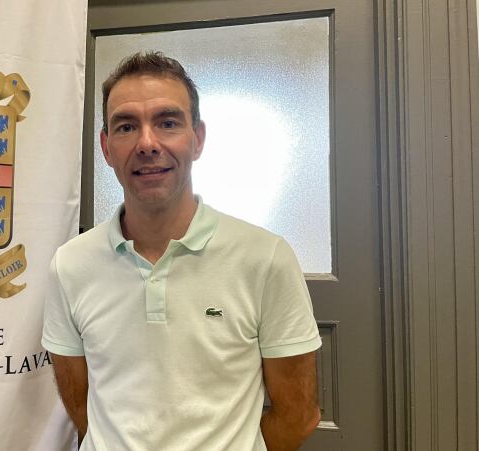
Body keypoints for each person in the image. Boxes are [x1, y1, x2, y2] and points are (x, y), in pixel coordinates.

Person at [41, 51, 321, 451]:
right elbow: (81, 407)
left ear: (198, 138)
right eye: (126, 126)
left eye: (167, 122)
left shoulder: (265, 258)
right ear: (106, 147)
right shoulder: (70, 265)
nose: (147, 143)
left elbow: (298, 416)